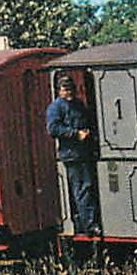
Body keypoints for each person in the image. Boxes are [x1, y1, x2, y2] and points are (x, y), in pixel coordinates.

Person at [47, 75, 97, 234]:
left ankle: (87, 222)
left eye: (70, 88)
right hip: (71, 153)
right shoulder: (55, 107)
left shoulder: (78, 104)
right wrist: (75, 134)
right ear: (59, 90)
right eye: (65, 88)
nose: (68, 92)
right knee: (82, 189)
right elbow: (53, 129)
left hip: (84, 151)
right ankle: (88, 225)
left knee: (87, 187)